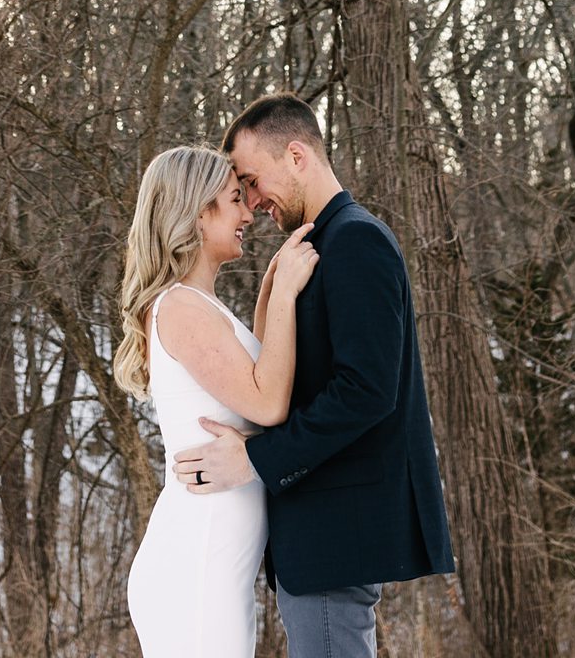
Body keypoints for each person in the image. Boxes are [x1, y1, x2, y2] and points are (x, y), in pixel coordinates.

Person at [169, 95, 455, 658]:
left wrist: (256, 458)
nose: (252, 202)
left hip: (335, 534)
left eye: (252, 180)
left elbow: (366, 391)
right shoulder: (321, 245)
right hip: (317, 534)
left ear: (296, 155)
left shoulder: (355, 241)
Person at [118, 144, 319, 657]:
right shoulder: (180, 307)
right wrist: (284, 297)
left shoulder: (199, 304)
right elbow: (269, 403)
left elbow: (248, 388)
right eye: (235, 199)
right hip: (196, 561)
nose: (249, 212)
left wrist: (269, 297)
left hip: (212, 560)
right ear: (197, 211)